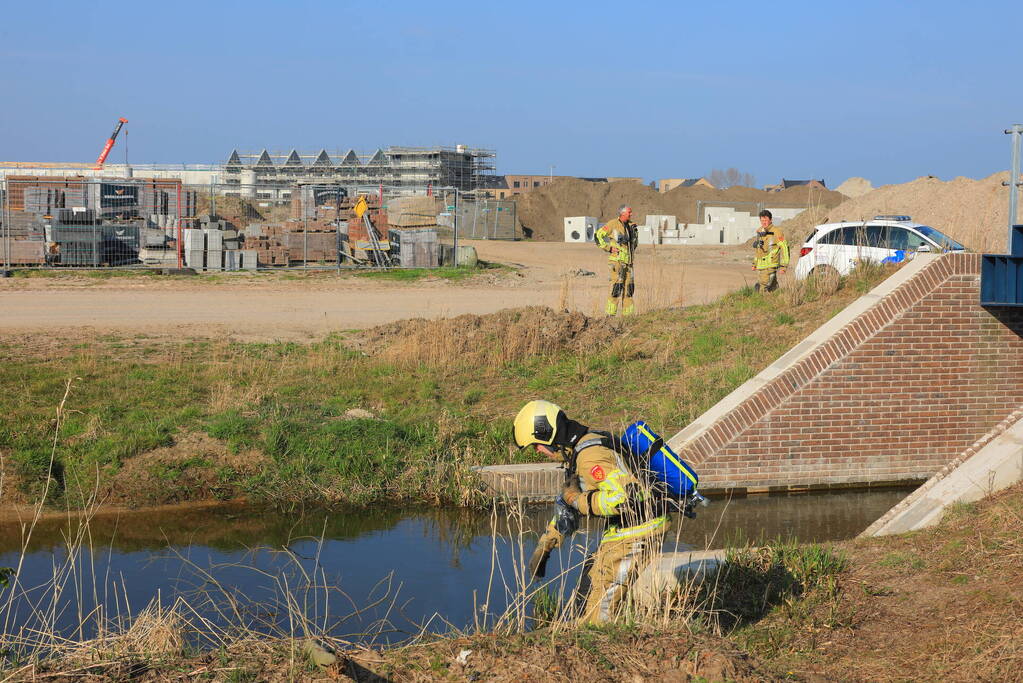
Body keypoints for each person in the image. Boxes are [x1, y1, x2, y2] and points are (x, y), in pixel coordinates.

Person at [513, 400, 668, 624]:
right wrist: (546, 545)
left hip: (639, 532)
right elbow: (568, 507)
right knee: (589, 579)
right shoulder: (579, 451)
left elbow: (627, 498)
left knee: (600, 611)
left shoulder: (590, 456)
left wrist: (579, 500)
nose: (537, 450)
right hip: (622, 532)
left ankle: (602, 643)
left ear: (547, 433)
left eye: (536, 444)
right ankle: (583, 634)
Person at [595, 206, 639, 315]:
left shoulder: (631, 225)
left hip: (629, 264)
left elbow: (634, 243)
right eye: (629, 212)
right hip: (617, 263)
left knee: (629, 290)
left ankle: (628, 317)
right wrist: (609, 248)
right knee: (616, 289)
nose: (631, 214)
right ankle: (610, 316)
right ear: (622, 213)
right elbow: (598, 235)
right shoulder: (612, 224)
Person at [752, 209, 789, 292]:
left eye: (766, 220)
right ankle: (777, 301)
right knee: (773, 289)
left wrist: (784, 266)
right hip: (761, 266)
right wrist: (755, 263)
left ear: (771, 220)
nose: (763, 222)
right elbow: (758, 250)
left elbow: (784, 248)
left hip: (770, 265)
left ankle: (760, 304)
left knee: (762, 288)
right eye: (762, 220)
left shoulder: (777, 232)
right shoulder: (760, 232)